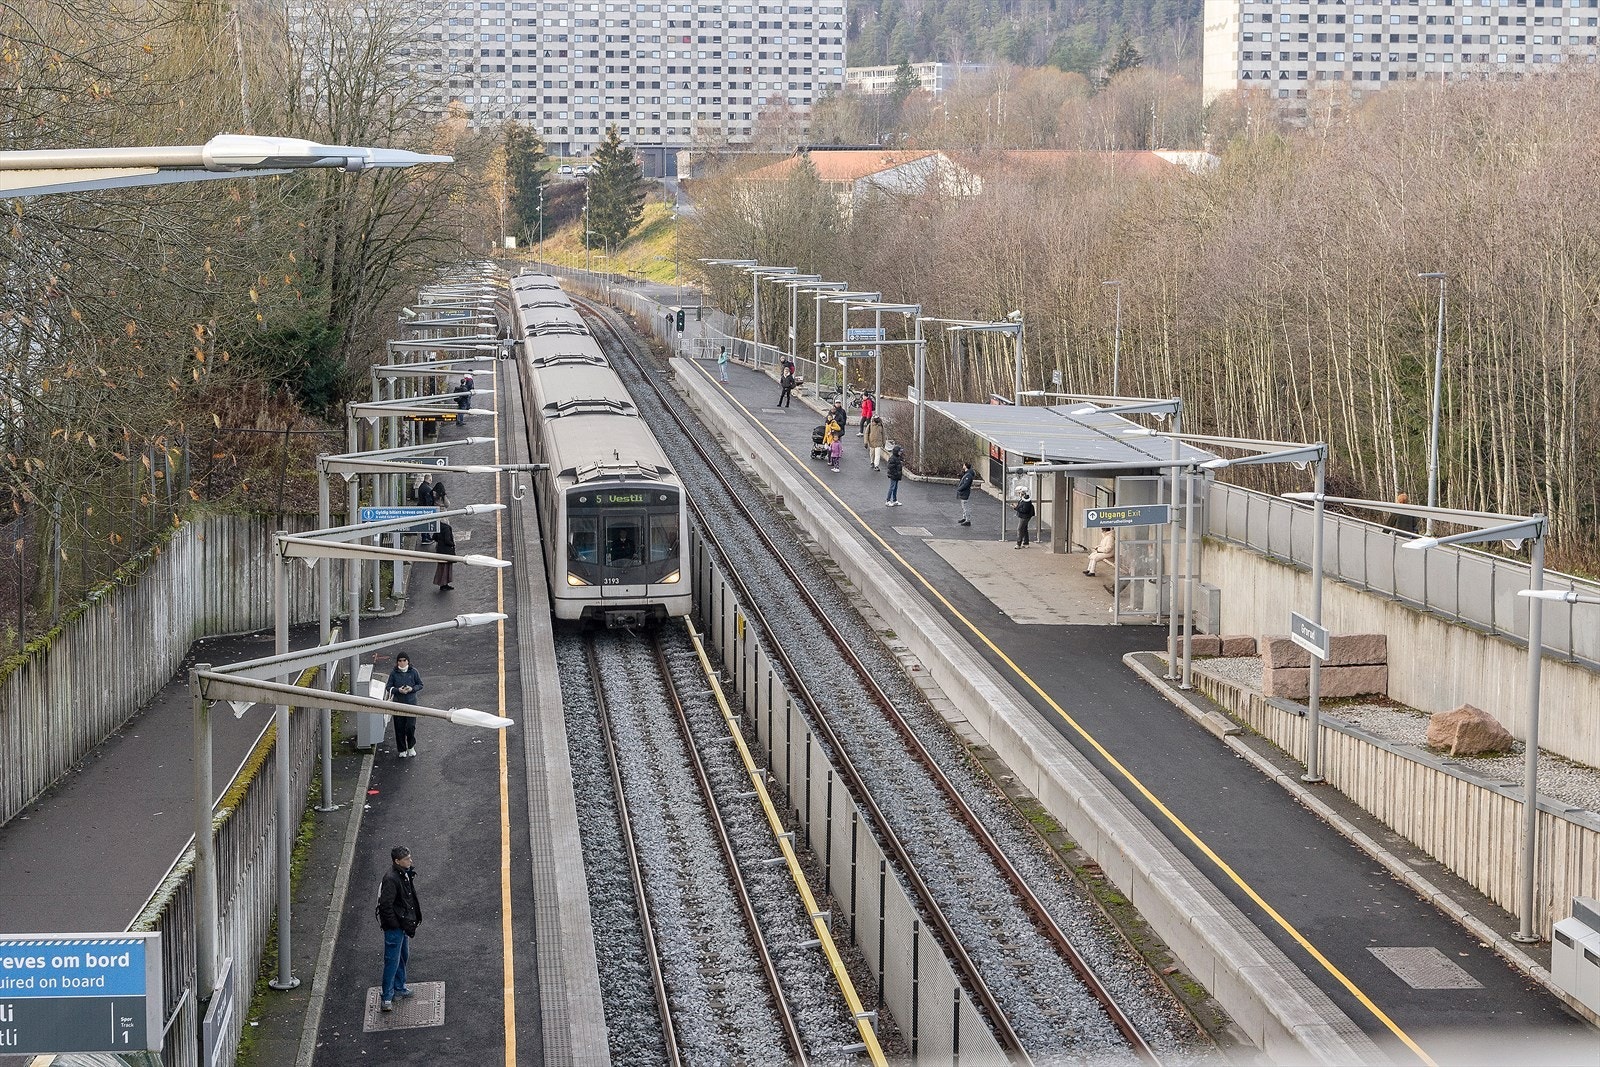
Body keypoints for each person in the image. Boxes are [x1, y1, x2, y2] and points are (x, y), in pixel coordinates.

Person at [376, 845, 423, 1012]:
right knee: (392, 961)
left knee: (402, 956)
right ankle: (387, 997)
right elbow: (385, 906)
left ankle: (399, 989)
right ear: (397, 861)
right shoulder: (392, 879)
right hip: (395, 927)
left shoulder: (403, 874)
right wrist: (396, 924)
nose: (411, 861)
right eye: (407, 859)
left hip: (401, 925)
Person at [385, 652, 423, 757]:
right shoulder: (394, 673)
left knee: (410, 727)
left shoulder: (414, 672)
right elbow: (389, 687)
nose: (402, 663)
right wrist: (398, 690)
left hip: (411, 704)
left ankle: (411, 746)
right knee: (399, 727)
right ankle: (402, 749)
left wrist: (412, 689)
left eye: (404, 660)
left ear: (408, 661)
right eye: (400, 661)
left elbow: (420, 684)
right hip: (398, 704)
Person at [432, 522, 456, 592]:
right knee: (447, 568)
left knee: (441, 567)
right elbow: (447, 540)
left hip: (440, 549)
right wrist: (453, 544)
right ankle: (444, 584)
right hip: (447, 551)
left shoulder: (438, 526)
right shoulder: (447, 528)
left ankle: (442, 583)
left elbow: (434, 537)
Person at [415, 475, 436, 544]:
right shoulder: (427, 489)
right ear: (429, 480)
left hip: (421, 506)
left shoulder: (422, 486)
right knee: (426, 523)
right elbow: (428, 500)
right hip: (425, 508)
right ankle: (425, 538)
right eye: (431, 479)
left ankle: (427, 536)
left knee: (424, 523)